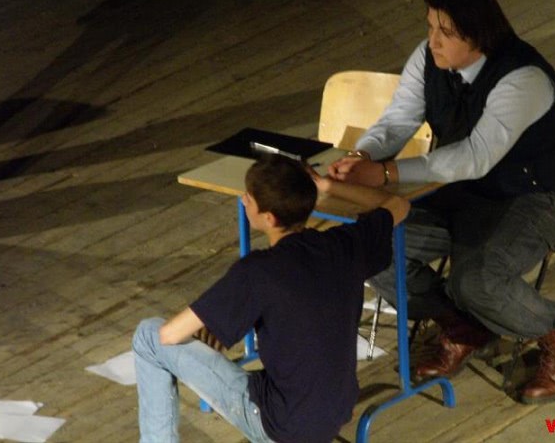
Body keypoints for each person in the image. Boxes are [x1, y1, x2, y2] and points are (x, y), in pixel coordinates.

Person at [328, 0, 555, 404]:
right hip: (457, 192)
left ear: (478, 35)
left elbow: (476, 156)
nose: (432, 41)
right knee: (370, 245)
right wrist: (363, 156)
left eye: (445, 32)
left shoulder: (523, 77)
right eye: (431, 27)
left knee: (478, 281)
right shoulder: (428, 57)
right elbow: (398, 120)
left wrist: (386, 173)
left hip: (530, 196)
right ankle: (463, 326)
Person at [132, 154, 410, 443]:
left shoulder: (259, 271)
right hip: (335, 411)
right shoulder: (344, 244)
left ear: (269, 218)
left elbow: (169, 335)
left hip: (283, 426)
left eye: (249, 198)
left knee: (148, 336)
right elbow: (398, 205)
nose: (243, 200)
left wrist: (213, 317)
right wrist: (326, 186)